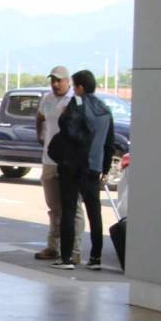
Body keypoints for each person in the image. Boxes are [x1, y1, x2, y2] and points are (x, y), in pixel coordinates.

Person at [51, 69, 115, 271]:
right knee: (94, 212)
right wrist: (104, 169)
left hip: (73, 166)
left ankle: (66, 257)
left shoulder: (76, 103)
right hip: (94, 167)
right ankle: (95, 258)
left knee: (69, 210)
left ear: (79, 87)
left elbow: (65, 127)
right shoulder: (105, 110)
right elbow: (109, 144)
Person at [35, 65, 84, 263]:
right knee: (54, 207)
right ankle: (53, 246)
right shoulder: (46, 99)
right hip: (49, 160)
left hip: (70, 162)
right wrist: (40, 135)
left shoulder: (76, 100)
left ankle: (75, 250)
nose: (55, 84)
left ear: (68, 81)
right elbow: (39, 118)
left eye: (59, 80)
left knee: (74, 208)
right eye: (52, 80)